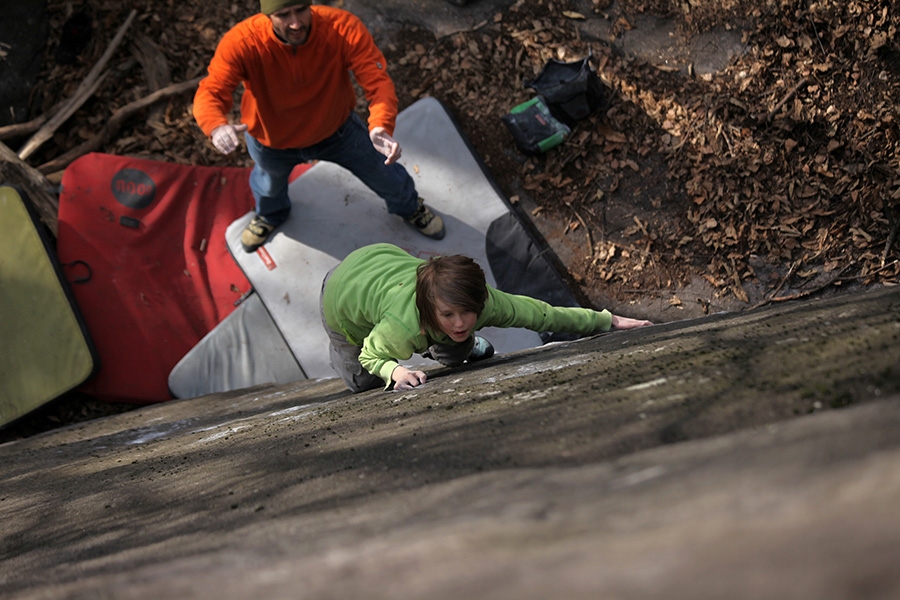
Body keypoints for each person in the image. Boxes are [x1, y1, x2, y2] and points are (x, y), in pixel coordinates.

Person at [193, 0, 444, 253]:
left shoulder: (341, 27)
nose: (295, 22)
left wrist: (381, 123)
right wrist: (215, 126)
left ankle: (411, 207)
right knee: (268, 187)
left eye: (301, 9)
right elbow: (211, 90)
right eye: (283, 15)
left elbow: (377, 81)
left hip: (337, 131)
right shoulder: (243, 41)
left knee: (386, 173)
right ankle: (270, 216)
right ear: (267, 16)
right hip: (272, 141)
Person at [320, 243, 653, 393]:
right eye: (449, 315)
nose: (462, 322)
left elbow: (543, 314)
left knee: (455, 348)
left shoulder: (483, 302)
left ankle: (454, 345)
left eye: (468, 312)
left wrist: (606, 321)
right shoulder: (404, 324)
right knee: (363, 382)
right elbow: (370, 354)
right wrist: (395, 369)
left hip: (383, 261)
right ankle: (344, 357)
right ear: (429, 310)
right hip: (341, 297)